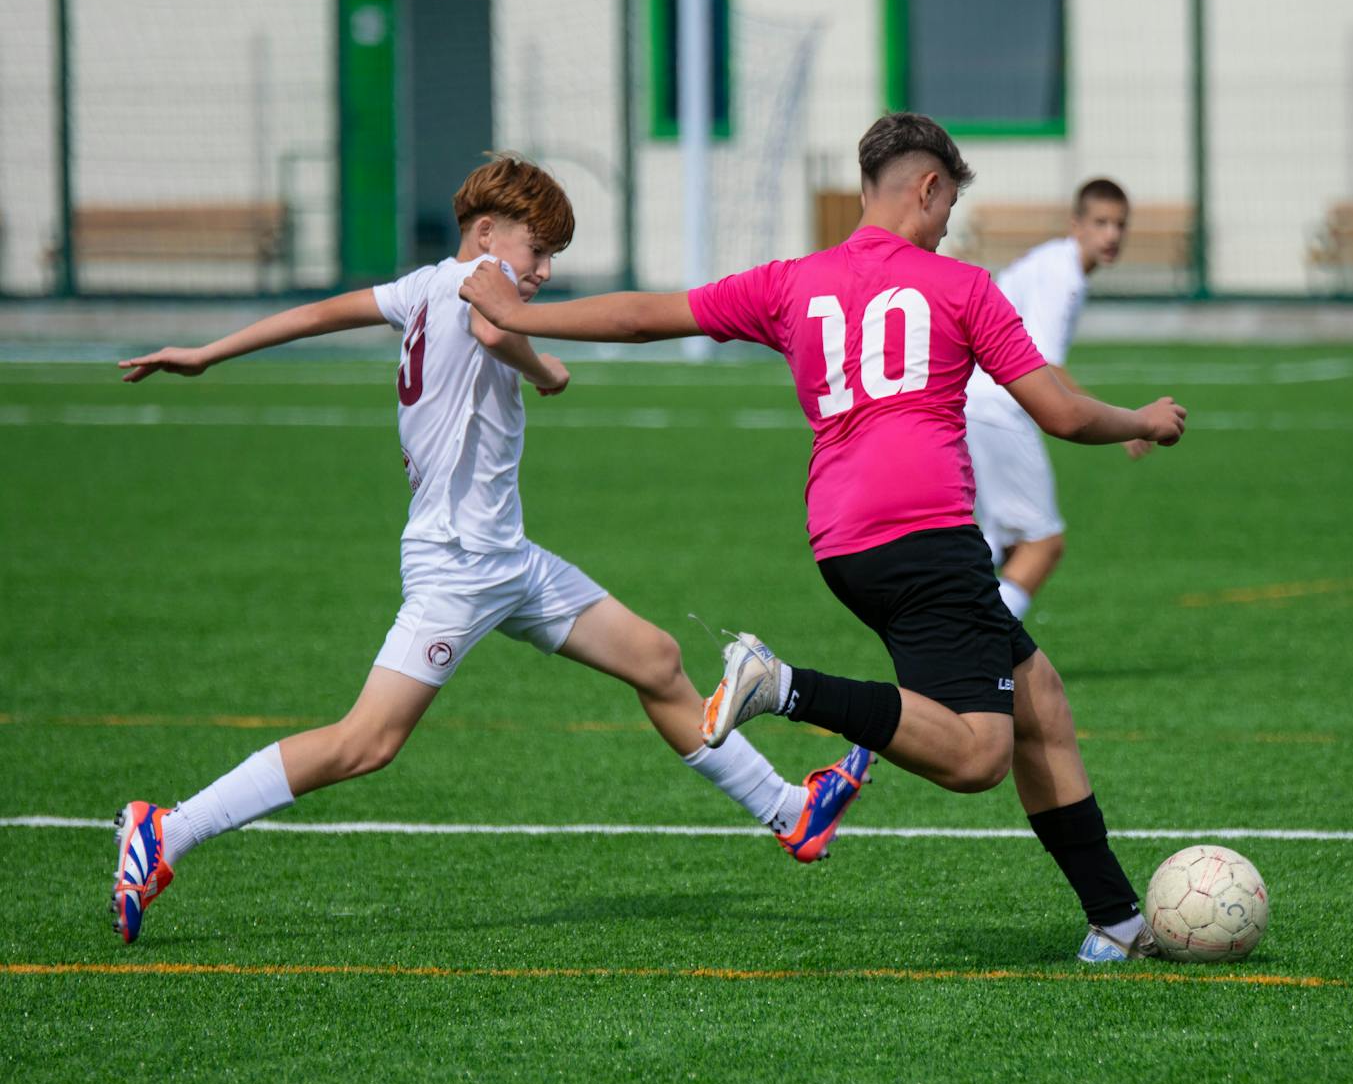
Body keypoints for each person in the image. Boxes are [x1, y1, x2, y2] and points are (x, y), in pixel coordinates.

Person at [458, 116, 1187, 962]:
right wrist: (1144, 419)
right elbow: (1057, 410)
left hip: (843, 538)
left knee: (1041, 702)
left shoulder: (793, 281)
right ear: (926, 187)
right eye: (949, 200)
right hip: (927, 531)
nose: (949, 220)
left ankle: (1115, 920)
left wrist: (519, 311)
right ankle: (781, 685)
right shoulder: (962, 287)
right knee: (979, 754)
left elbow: (645, 317)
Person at [108, 154, 865, 946]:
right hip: (459, 565)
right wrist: (545, 370)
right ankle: (167, 829)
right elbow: (490, 324)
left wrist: (209, 351)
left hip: (509, 560)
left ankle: (791, 811)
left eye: (550, 259)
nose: (541, 272)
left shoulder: (421, 285)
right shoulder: (473, 289)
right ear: (484, 233)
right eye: (536, 252)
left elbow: (319, 313)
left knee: (656, 658)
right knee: (366, 742)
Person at [964, 178, 1145, 620]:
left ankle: (947, 618)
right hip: (998, 408)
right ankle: (986, 647)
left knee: (1001, 542)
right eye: (1100, 223)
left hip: (976, 401)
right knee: (1044, 544)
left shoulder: (1055, 264)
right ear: (1076, 224)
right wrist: (1121, 424)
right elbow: (1043, 365)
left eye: (1120, 225)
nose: (1112, 235)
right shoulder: (1063, 275)